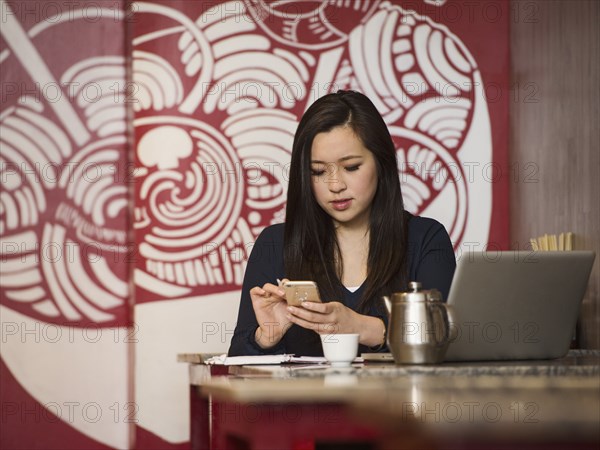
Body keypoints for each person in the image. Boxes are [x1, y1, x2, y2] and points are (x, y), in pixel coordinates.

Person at [228, 90, 455, 356]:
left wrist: (361, 326)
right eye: (318, 171)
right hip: (304, 399)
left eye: (351, 167)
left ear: (381, 164)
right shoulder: (276, 244)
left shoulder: (425, 239)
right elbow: (235, 369)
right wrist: (265, 337)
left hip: (400, 400)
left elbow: (445, 345)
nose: (335, 185)